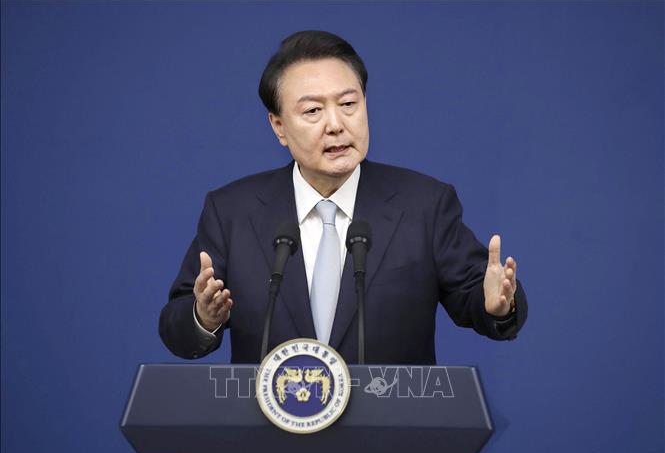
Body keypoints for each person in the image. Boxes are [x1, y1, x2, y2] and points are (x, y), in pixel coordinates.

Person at [159, 30, 527, 364]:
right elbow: (177, 325)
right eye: (313, 111)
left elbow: (477, 296)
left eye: (349, 104)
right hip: (271, 416)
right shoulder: (232, 211)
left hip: (391, 415)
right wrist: (202, 316)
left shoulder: (424, 205)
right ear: (279, 126)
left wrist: (498, 304)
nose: (336, 125)